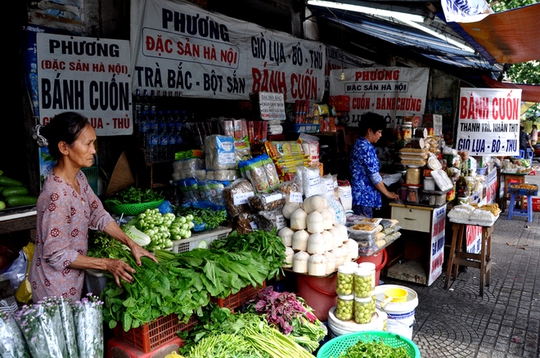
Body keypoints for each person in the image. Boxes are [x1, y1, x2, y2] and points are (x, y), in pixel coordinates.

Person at [29, 112, 157, 302]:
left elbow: (98, 214)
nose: (94, 150)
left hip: (73, 281)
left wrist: (132, 244)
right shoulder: (56, 196)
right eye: (87, 144)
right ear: (64, 147)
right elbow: (56, 254)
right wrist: (107, 264)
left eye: (94, 143)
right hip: (53, 290)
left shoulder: (79, 177)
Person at [350, 112, 399, 218]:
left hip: (359, 198)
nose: (380, 135)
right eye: (379, 132)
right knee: (364, 230)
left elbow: (365, 170)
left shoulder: (359, 143)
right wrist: (388, 193)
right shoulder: (366, 148)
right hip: (364, 198)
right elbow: (374, 177)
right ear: (370, 130)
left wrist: (382, 174)